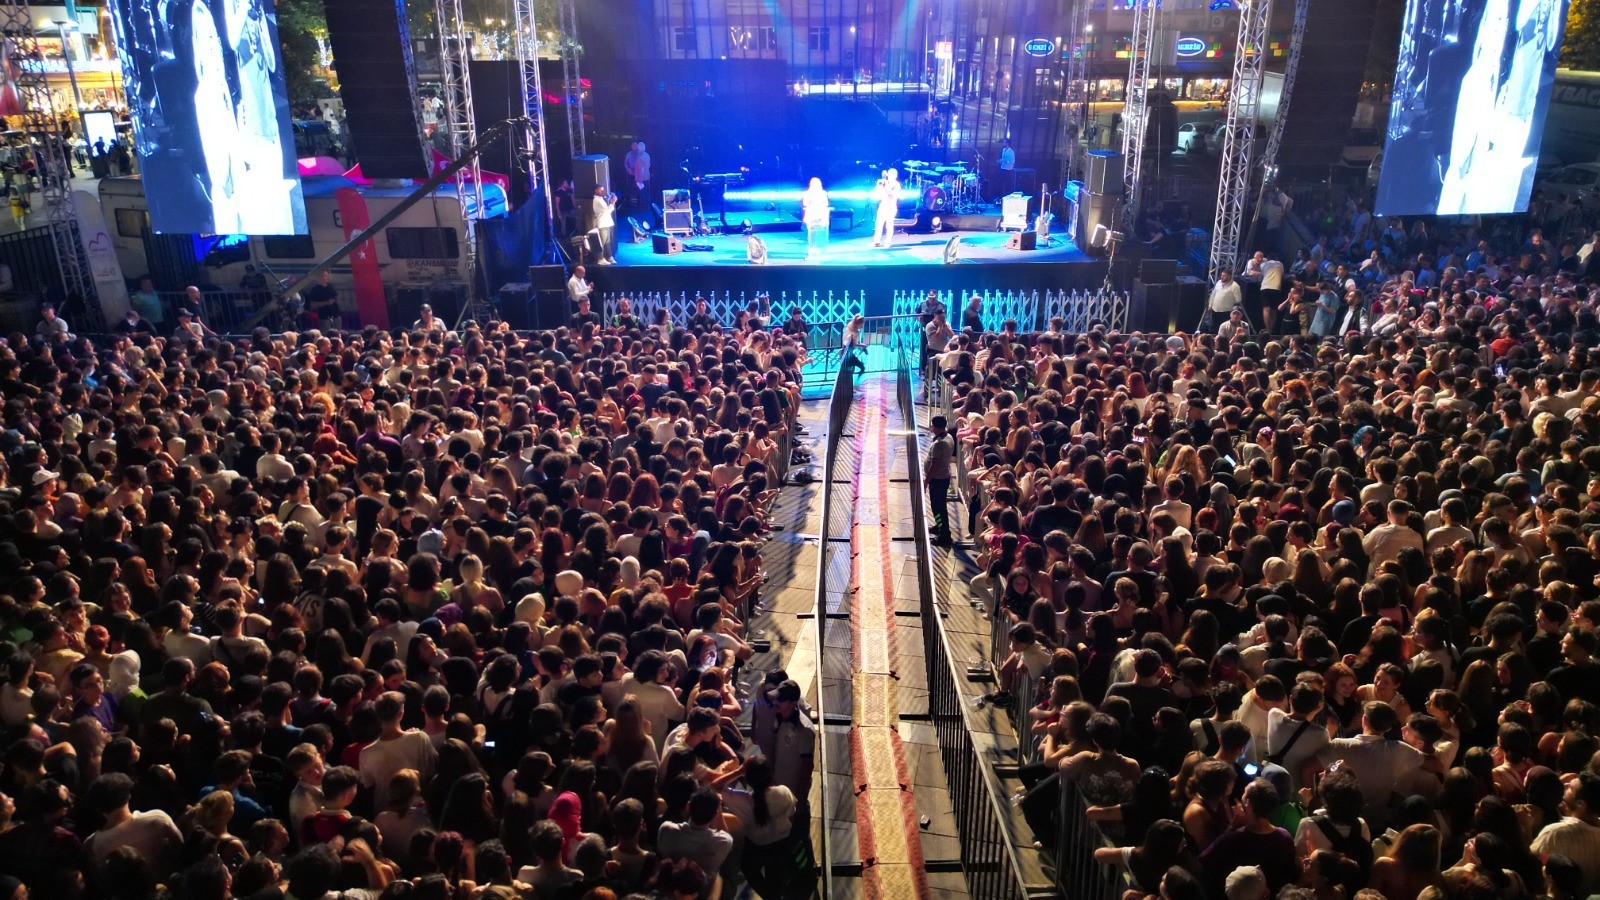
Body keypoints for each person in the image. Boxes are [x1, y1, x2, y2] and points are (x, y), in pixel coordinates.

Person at [926, 415, 955, 545]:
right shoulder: (949, 437)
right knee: (939, 506)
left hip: (937, 479)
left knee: (938, 508)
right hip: (943, 477)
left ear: (935, 427)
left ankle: (944, 535)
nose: (931, 428)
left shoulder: (939, 444)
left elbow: (934, 465)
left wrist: (926, 481)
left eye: (932, 426)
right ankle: (939, 526)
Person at [801, 177, 829, 261]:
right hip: (812, 216)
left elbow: (825, 204)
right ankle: (811, 253)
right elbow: (805, 203)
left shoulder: (823, 193)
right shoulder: (807, 193)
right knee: (811, 235)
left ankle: (818, 253)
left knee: (818, 235)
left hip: (819, 215)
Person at [872, 168, 900, 249]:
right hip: (883, 205)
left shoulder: (896, 184)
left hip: (891, 207)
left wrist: (885, 186)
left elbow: (892, 194)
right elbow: (877, 192)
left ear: (895, 176)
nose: (891, 176)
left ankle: (887, 242)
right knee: (879, 224)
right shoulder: (884, 182)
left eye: (893, 174)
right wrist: (879, 185)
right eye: (890, 174)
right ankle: (876, 241)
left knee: (889, 225)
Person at [592, 185, 618, 265]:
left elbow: (607, 210)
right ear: (596, 190)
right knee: (602, 242)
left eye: (603, 190)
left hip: (606, 223)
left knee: (607, 242)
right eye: (600, 190)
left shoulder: (600, 199)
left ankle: (610, 257)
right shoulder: (597, 200)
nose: (602, 191)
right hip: (602, 224)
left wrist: (611, 202)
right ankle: (600, 259)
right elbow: (607, 210)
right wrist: (613, 202)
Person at [623, 141, 652, 209]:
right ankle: (640, 205)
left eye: (636, 146)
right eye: (633, 146)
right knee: (640, 191)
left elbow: (644, 167)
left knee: (642, 191)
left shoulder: (641, 156)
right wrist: (629, 169)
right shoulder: (630, 154)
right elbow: (626, 163)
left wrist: (640, 177)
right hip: (634, 175)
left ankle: (642, 206)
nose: (635, 148)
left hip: (640, 177)